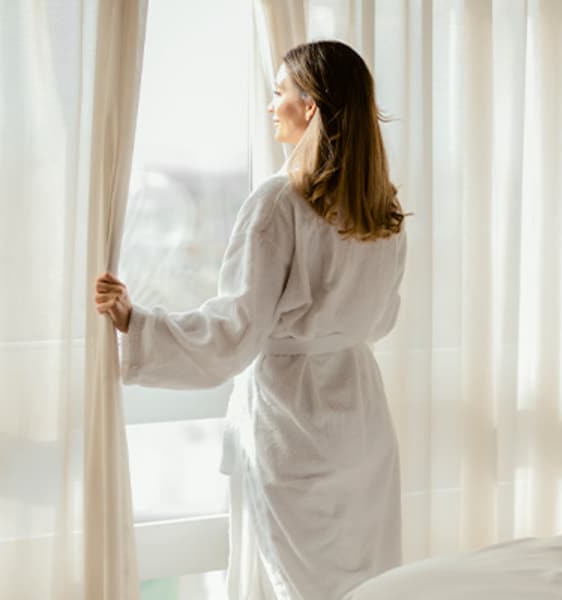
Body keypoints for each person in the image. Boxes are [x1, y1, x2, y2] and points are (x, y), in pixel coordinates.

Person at [94, 40, 407, 599]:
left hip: (294, 428)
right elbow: (381, 321)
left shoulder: (279, 205)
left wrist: (134, 323)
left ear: (309, 107)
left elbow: (234, 332)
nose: (271, 106)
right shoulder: (382, 212)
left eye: (279, 92)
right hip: (362, 426)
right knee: (367, 586)